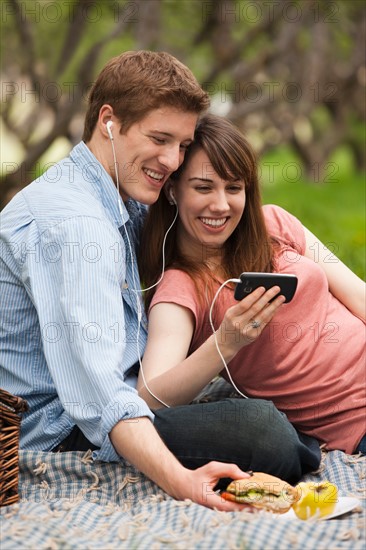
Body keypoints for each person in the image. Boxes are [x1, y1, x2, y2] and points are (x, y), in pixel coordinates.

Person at [0, 51, 319, 512]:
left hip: (122, 395)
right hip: (63, 431)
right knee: (261, 431)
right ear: (109, 121)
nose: (172, 160)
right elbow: (99, 397)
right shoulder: (74, 225)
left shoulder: (116, 194)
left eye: (182, 145)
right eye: (159, 138)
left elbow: (202, 212)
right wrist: (184, 483)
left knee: (255, 403)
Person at [137, 113, 366, 457]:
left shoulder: (273, 221)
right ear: (172, 190)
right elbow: (149, 396)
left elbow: (357, 294)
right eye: (203, 187)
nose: (221, 205)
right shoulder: (180, 287)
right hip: (356, 419)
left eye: (234, 188)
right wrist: (227, 342)